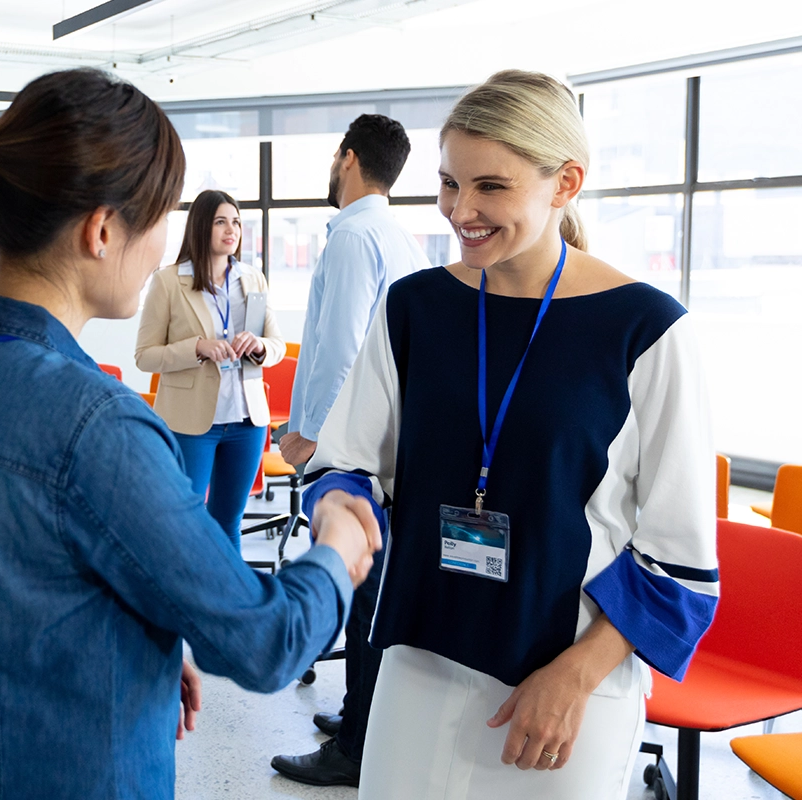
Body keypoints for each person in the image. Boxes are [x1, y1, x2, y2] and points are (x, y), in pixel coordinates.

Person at [0, 68, 381, 799]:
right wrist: (338, 544)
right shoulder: (98, 424)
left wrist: (131, 643)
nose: (160, 250)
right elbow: (264, 641)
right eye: (160, 218)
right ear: (102, 229)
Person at [299, 70, 718, 798]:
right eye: (448, 183)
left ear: (565, 184)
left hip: (568, 678)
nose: (461, 209)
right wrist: (341, 509)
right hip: (420, 657)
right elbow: (347, 463)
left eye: (490, 187)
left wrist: (577, 676)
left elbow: (681, 556)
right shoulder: (415, 310)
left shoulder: (646, 331)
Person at [271, 114, 431, 787]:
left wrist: (312, 437)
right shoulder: (402, 239)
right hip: (398, 449)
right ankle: (361, 715)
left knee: (359, 592)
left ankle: (356, 748)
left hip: (353, 452)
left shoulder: (350, 238)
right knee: (378, 591)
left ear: (348, 158)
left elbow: (340, 353)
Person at [135, 189, 285, 552]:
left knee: (227, 524)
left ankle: (229, 606)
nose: (231, 230)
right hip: (191, 424)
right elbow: (144, 356)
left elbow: (277, 344)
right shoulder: (168, 282)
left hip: (247, 421)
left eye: (235, 222)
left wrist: (261, 347)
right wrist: (197, 349)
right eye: (221, 222)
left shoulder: (253, 279)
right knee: (185, 525)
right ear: (201, 227)